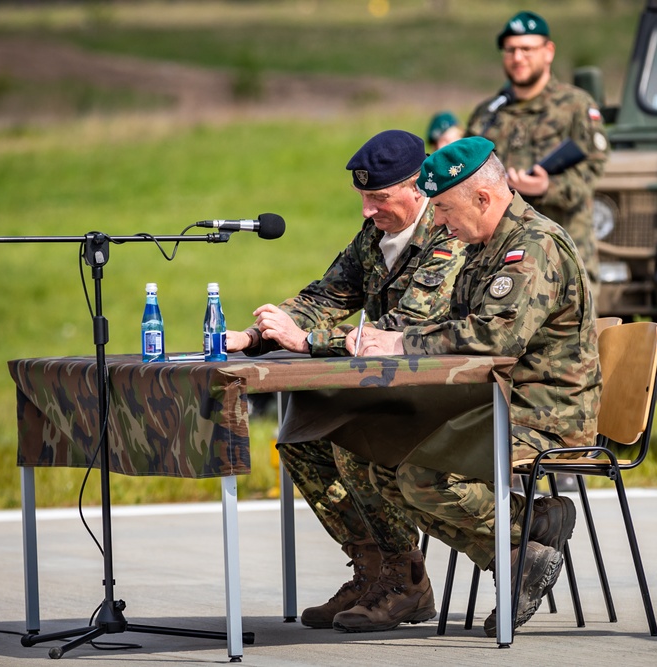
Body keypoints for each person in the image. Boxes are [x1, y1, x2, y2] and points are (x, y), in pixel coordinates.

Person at [348, 136, 601, 635]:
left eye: (443, 208)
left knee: (422, 474)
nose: (438, 221)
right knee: (382, 463)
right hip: (491, 405)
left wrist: (399, 343)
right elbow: (458, 329)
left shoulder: (532, 246)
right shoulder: (484, 247)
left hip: (543, 416)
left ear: (483, 198)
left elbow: (493, 337)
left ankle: (522, 536)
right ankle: (521, 544)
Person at [225, 130, 467, 633]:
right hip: (390, 390)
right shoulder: (376, 236)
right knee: (301, 441)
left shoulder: (447, 237)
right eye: (363, 198)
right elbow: (326, 296)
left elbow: (401, 328)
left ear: (419, 189)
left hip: (446, 393)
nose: (366, 210)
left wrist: (308, 341)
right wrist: (257, 336)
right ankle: (374, 568)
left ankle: (406, 580)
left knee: (352, 442)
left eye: (378, 198)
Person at [465, 10, 609, 290]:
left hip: (563, 253)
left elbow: (593, 168)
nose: (518, 58)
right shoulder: (487, 114)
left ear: (548, 51)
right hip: (498, 256)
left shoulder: (575, 106)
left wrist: (547, 186)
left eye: (527, 49)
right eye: (511, 50)